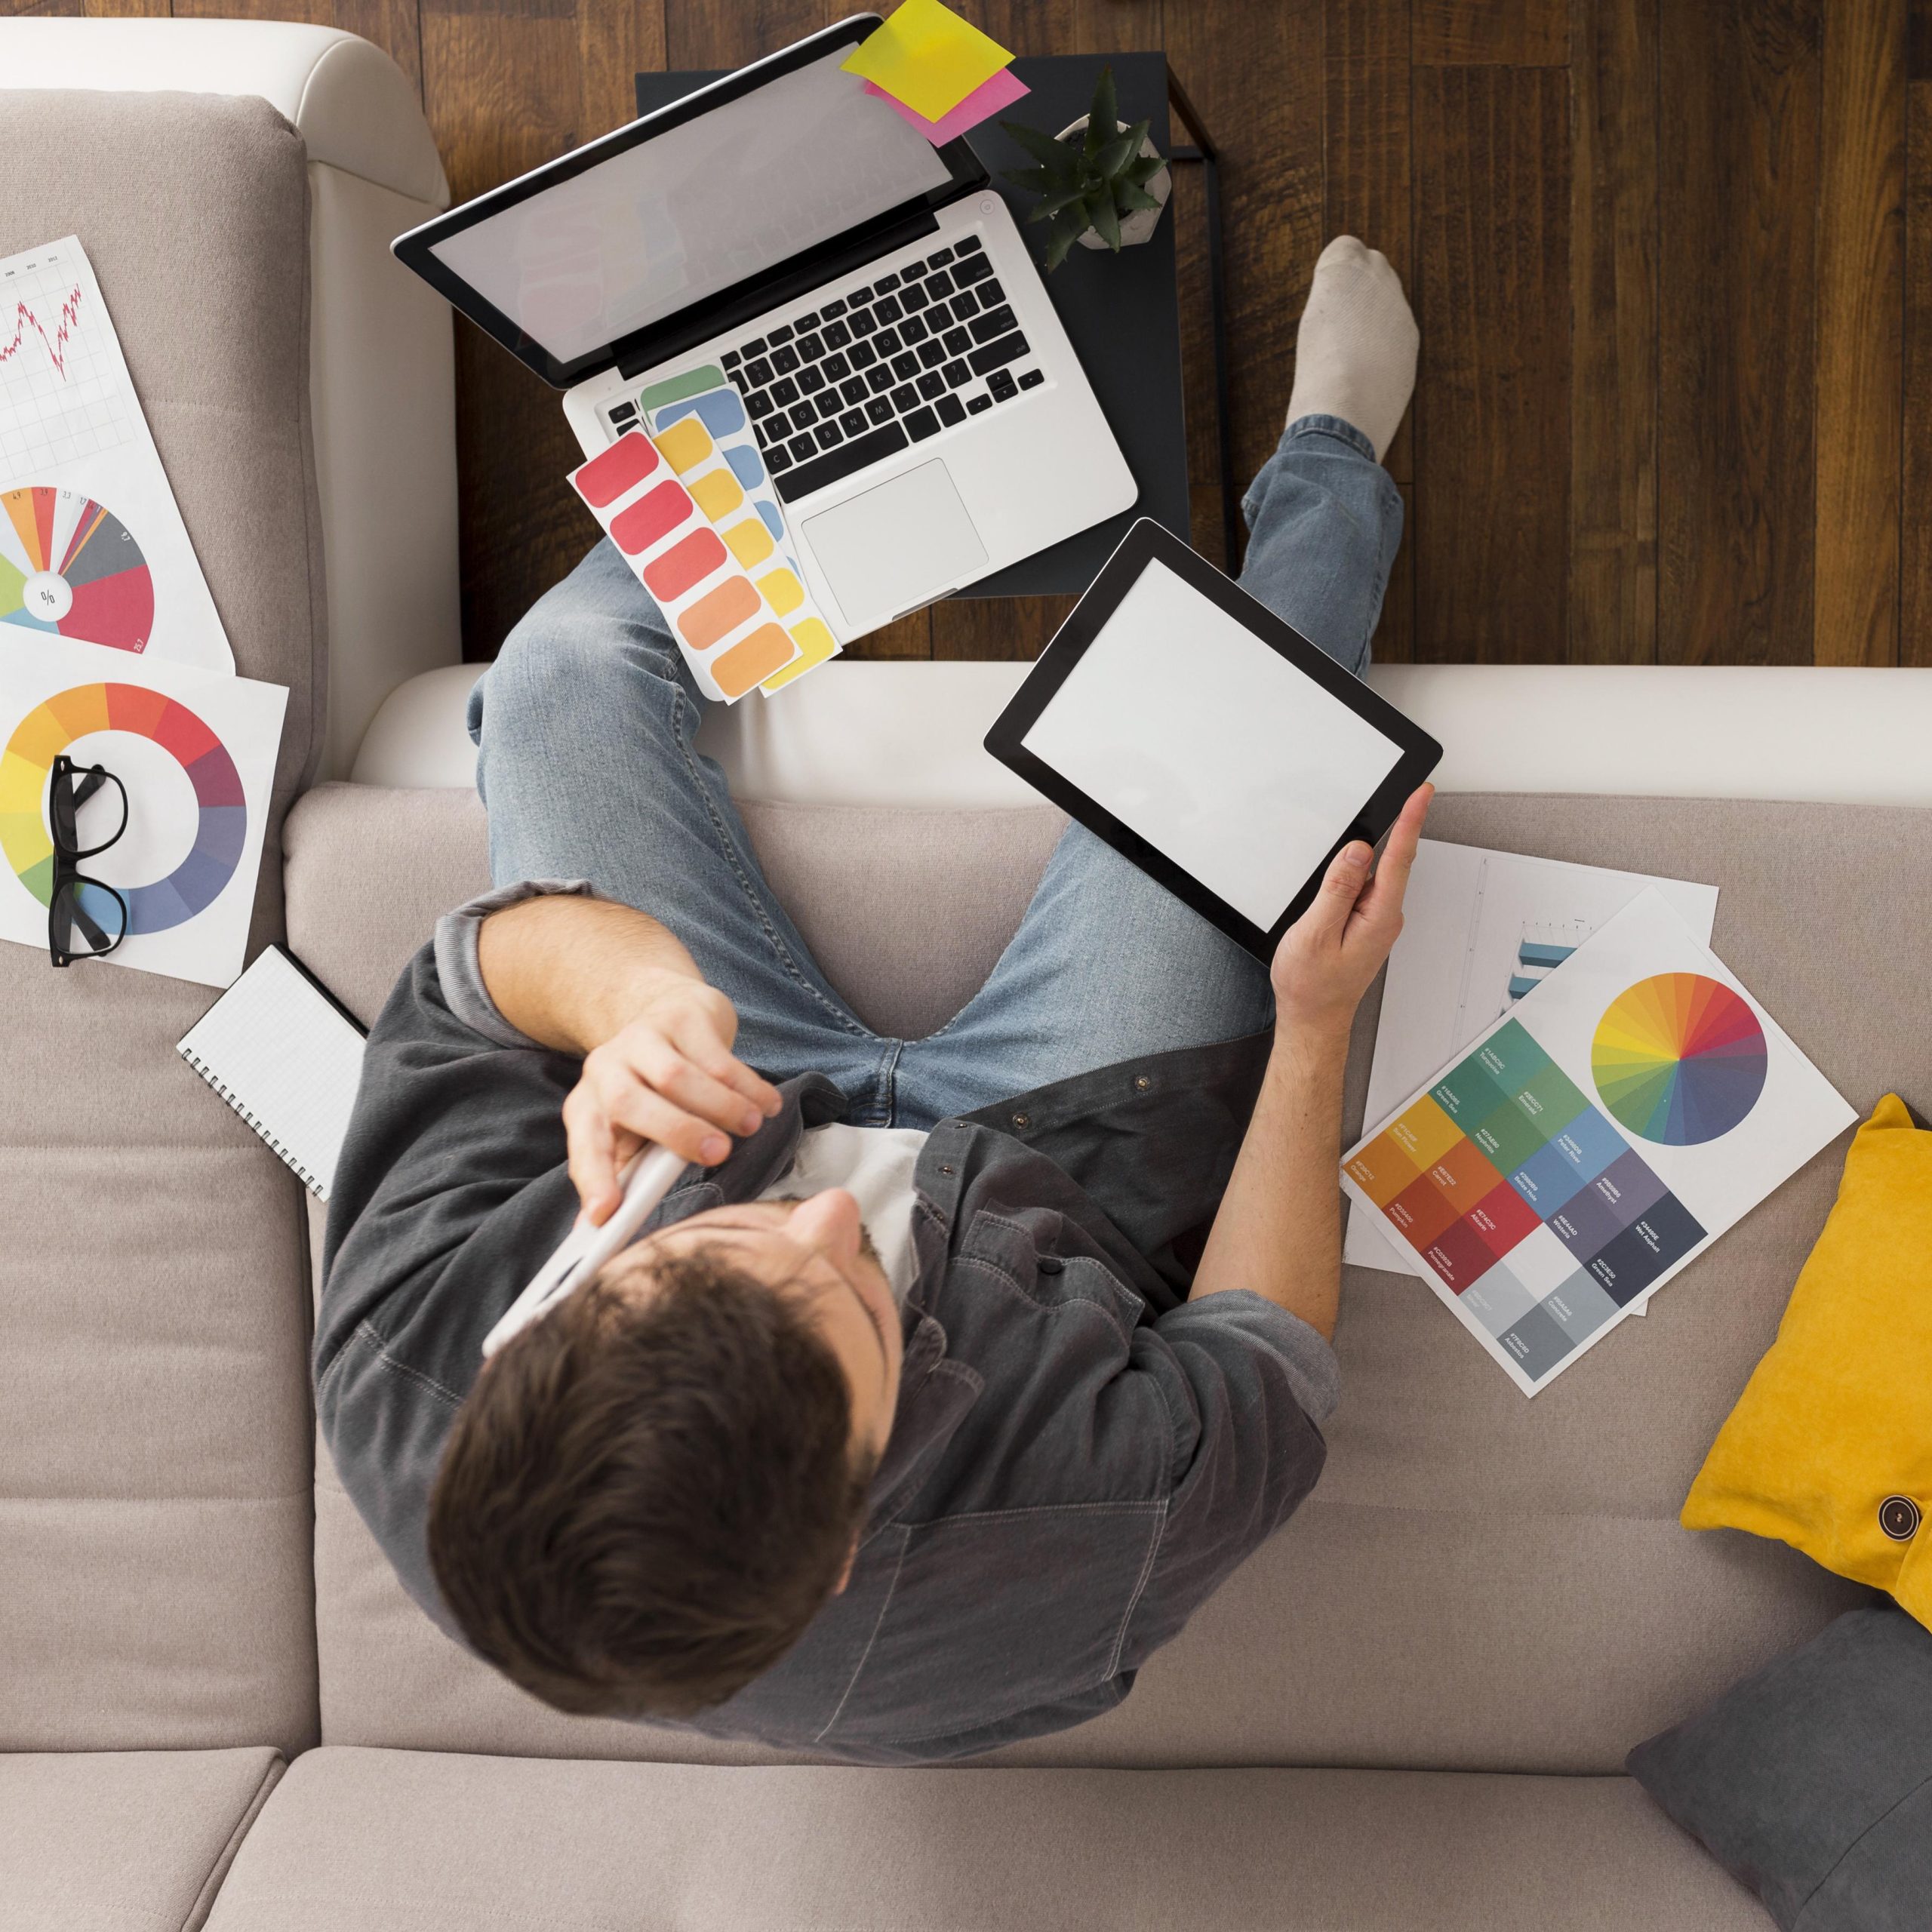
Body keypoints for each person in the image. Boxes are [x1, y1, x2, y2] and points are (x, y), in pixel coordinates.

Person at [318, 236, 1430, 1764]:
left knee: (562, 670)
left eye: (723, 1243)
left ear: (560, 1313)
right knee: (1253, 749)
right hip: (1077, 1156)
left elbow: (464, 986)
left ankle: (839, 378)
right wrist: (1312, 1026)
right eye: (856, 1307)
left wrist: (629, 998)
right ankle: (1331, 458)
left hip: (711, 1056)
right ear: (850, 1537)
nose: (838, 1216)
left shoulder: (404, 1355)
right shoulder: (1062, 1552)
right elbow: (1256, 1352)